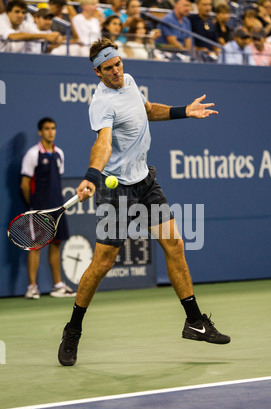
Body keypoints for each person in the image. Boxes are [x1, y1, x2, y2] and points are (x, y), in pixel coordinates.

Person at [57, 37, 231, 367]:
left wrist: (184, 112)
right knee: (103, 263)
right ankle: (73, 329)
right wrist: (92, 176)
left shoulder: (131, 82)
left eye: (118, 64)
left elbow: (148, 111)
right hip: (115, 191)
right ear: (98, 72)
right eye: (109, 69)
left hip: (145, 182)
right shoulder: (101, 103)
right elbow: (103, 144)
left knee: (175, 244)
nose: (117, 71)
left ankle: (194, 321)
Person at [20, 118, 76, 300]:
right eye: (47, 129)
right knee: (35, 247)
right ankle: (32, 287)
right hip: (39, 209)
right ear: (40, 132)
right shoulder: (33, 154)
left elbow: (57, 181)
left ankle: (58, 285)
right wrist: (34, 205)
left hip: (57, 208)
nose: (51, 132)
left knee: (56, 244)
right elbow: (25, 184)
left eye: (53, 128)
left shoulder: (59, 153)